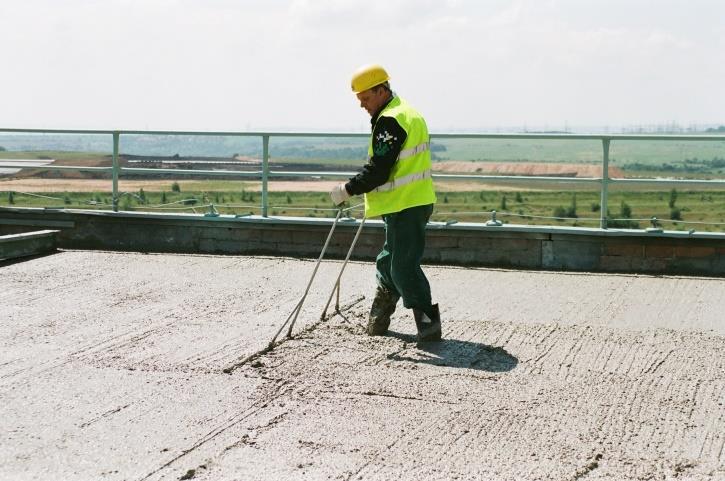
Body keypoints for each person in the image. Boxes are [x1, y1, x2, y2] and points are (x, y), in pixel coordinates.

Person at [329, 64, 441, 342]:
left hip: (406, 205)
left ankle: (429, 327)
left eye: (366, 98)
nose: (363, 105)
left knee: (403, 267)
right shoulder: (408, 113)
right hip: (409, 202)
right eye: (359, 100)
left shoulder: (390, 120)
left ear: (382, 90)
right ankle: (380, 314)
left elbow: (379, 170)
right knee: (390, 259)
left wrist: (347, 189)